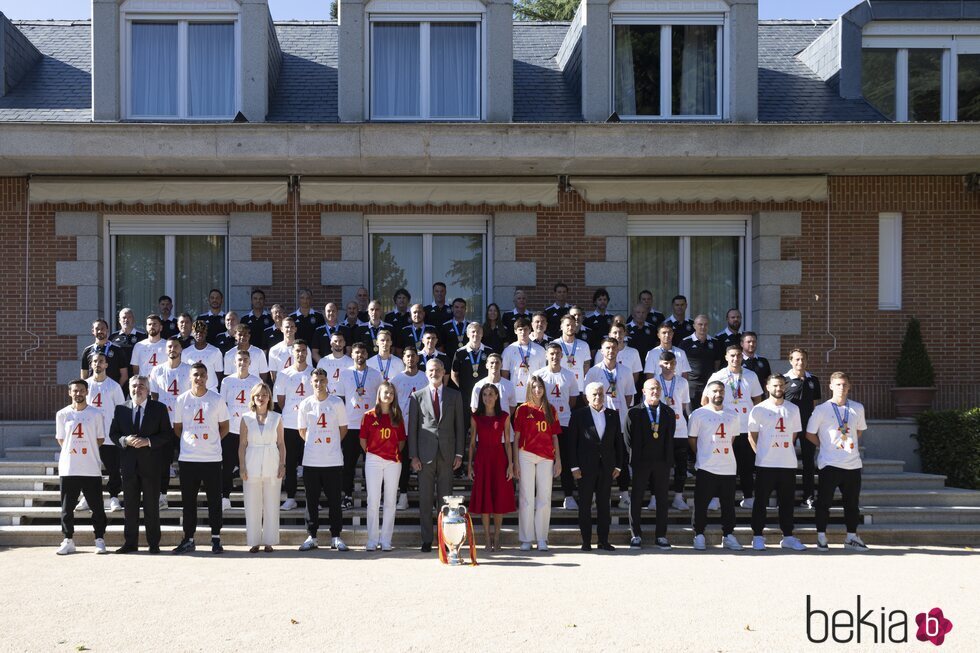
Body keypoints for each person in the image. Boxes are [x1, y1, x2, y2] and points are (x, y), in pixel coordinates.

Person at [806, 372, 868, 552]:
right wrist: (825, 445)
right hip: (829, 464)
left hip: (852, 464)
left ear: (849, 387)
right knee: (824, 503)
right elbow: (810, 434)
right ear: (831, 386)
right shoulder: (821, 409)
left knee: (852, 504)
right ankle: (821, 536)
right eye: (838, 384)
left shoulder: (857, 408)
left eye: (844, 385)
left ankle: (851, 537)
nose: (841, 388)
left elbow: (859, 431)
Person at [172, 363, 230, 554]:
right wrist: (191, 443)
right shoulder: (181, 400)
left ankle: (216, 539)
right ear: (190, 377)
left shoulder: (217, 399)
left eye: (203, 375)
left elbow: (225, 427)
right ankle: (188, 538)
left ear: (208, 377)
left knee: (214, 500)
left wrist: (211, 441)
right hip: (188, 459)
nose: (199, 378)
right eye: (195, 375)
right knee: (188, 501)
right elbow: (178, 428)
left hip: (212, 458)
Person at [110, 375, 172, 554]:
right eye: (134, 386)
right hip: (129, 466)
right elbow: (114, 434)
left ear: (148, 389)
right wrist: (125, 440)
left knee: (152, 506)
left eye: (142, 386)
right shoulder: (121, 409)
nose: (138, 389)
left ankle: (154, 543)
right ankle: (130, 543)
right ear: (129, 389)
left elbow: (166, 435)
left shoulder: (159, 409)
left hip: (151, 465)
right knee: (130, 507)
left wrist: (148, 441)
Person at [409, 359, 465, 552]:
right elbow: (413, 428)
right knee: (425, 499)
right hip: (424, 456)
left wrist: (459, 453)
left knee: (446, 500)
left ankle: (447, 540)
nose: (435, 373)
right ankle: (426, 539)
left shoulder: (454, 395)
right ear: (426, 373)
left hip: (448, 454)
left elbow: (460, 427)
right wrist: (413, 456)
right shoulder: (416, 396)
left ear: (444, 372)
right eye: (431, 370)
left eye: (438, 370)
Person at [748, 375, 806, 552]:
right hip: (766, 464)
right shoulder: (758, 409)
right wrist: (762, 453)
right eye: (775, 385)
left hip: (787, 463)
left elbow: (794, 435)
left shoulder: (793, 409)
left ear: (786, 386)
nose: (778, 388)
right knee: (761, 502)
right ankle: (758, 536)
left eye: (781, 385)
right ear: (767, 387)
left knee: (787, 502)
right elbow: (752, 435)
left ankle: (787, 536)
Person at [703, 345, 764, 508]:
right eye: (732, 356)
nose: (735, 359)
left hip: (745, 428)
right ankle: (715, 498)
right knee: (721, 462)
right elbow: (705, 400)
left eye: (738, 355)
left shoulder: (751, 376)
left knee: (747, 464)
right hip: (724, 429)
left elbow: (757, 400)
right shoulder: (718, 376)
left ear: (742, 357)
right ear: (726, 357)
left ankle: (749, 497)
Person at [566, 382, 623, 552]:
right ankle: (586, 541)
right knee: (584, 505)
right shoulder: (578, 415)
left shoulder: (613, 415)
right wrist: (574, 467)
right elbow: (571, 443)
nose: (598, 397)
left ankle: (603, 541)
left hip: (606, 468)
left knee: (604, 505)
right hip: (585, 468)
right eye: (594, 395)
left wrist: (619, 466)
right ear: (587, 397)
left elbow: (618, 443)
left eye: (600, 394)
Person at [297, 368, 349, 552]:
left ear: (327, 381)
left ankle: (336, 536)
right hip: (311, 460)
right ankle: (312, 536)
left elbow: (343, 429)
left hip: (333, 460)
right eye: (316, 380)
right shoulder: (305, 404)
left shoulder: (336, 403)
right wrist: (316, 444)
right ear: (311, 383)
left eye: (322, 380)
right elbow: (302, 431)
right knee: (311, 501)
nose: (319, 383)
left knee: (335, 500)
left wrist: (329, 444)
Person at [55, 379, 108, 555]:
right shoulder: (62, 414)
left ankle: (99, 539)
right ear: (70, 393)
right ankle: (68, 539)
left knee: (97, 507)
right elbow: (61, 439)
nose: (78, 393)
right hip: (69, 467)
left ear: (87, 392)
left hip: (90, 467)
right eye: (75, 391)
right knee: (67, 508)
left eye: (81, 390)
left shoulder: (96, 414)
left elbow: (100, 439)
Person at [689, 381, 743, 551]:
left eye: (720, 391)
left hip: (727, 467)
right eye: (714, 391)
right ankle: (698, 534)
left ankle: (728, 535)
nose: (718, 394)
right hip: (706, 467)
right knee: (701, 504)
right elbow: (692, 439)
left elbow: (732, 438)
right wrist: (705, 453)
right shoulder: (698, 414)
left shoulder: (732, 414)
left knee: (728, 505)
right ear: (708, 393)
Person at [625, 378, 675, 550]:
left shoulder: (668, 412)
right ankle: (635, 535)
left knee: (662, 499)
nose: (655, 391)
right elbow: (628, 439)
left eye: (658, 388)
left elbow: (670, 436)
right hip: (641, 462)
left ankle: (661, 535)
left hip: (662, 461)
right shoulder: (634, 413)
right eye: (651, 389)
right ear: (644, 391)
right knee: (637, 497)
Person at [512, 376, 561, 551]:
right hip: (525, 454)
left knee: (544, 498)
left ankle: (542, 538)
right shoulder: (522, 410)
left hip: (546, 456)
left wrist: (558, 461)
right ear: (529, 389)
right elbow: (516, 437)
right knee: (526, 497)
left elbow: (555, 436)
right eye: (534, 387)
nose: (537, 390)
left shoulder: (551, 409)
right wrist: (515, 462)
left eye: (540, 387)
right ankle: (526, 538)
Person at [467, 384, 516, 551]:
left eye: (491, 394)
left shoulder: (504, 416)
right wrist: (470, 466)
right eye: (485, 395)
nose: (488, 397)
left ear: (497, 397)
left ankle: (497, 536)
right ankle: (487, 538)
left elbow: (509, 443)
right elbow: (473, 443)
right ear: (481, 398)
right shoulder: (476, 417)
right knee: (485, 500)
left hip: (499, 459)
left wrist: (510, 465)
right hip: (482, 459)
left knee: (499, 499)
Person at [360, 382, 408, 551]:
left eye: (391, 393)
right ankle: (372, 540)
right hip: (373, 459)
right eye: (385, 392)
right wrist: (375, 452)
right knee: (373, 500)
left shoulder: (398, 416)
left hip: (393, 462)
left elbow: (401, 441)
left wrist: (390, 452)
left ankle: (386, 540)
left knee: (390, 502)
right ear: (379, 394)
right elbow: (363, 440)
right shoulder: (369, 415)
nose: (388, 395)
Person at [533, 342, 581, 510]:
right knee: (542, 460)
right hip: (543, 424)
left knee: (566, 460)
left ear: (562, 356)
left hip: (564, 423)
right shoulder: (538, 375)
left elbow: (573, 401)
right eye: (551, 354)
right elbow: (534, 399)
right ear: (546, 355)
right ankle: (540, 495)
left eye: (557, 354)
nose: (554, 357)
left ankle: (569, 496)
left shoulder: (569, 375)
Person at [239, 382, 285, 553]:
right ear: (253, 397)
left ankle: (269, 541)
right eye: (258, 395)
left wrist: (282, 464)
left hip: (272, 460)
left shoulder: (276, 417)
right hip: (252, 460)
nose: (261, 398)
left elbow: (281, 443)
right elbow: (242, 444)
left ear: (269, 397)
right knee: (252, 503)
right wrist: (242, 466)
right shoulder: (246, 418)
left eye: (264, 394)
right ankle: (254, 541)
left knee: (272, 503)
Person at [337, 342, 383, 510]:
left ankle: (373, 497)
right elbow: (340, 400)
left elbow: (380, 401)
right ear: (352, 354)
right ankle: (346, 496)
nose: (359, 355)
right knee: (348, 464)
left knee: (372, 464)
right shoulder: (345, 374)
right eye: (356, 352)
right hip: (350, 426)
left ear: (367, 354)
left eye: (363, 352)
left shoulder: (376, 375)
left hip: (370, 426)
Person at [148, 336, 191, 509]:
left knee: (187, 462)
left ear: (181, 349)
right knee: (163, 462)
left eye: (175, 346)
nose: (172, 349)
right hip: (165, 424)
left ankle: (189, 494)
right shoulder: (157, 371)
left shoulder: (189, 370)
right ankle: (162, 495)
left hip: (185, 422)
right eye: (169, 347)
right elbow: (154, 397)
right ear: (165, 350)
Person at [273, 340, 314, 511]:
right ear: (292, 352)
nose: (300, 353)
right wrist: (293, 413)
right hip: (290, 424)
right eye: (297, 350)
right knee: (289, 462)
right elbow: (281, 401)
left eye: (303, 350)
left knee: (311, 464)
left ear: (307, 352)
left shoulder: (314, 372)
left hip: (311, 425)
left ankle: (312, 499)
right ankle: (290, 497)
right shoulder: (284, 374)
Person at [218, 349, 262, 511]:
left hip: (249, 430)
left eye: (245, 359)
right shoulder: (227, 381)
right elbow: (221, 406)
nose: (242, 362)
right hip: (230, 429)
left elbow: (260, 407)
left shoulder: (256, 381)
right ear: (234, 362)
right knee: (227, 465)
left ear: (250, 363)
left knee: (251, 465)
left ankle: (253, 498)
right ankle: (225, 497)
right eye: (239, 360)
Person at [84, 352, 126, 513]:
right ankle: (86, 497)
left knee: (113, 468)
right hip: (89, 435)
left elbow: (121, 411)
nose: (98, 364)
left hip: (109, 435)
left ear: (106, 365)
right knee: (88, 468)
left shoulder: (114, 386)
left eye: (101, 361)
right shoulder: (85, 385)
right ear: (91, 364)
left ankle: (114, 497)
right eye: (95, 361)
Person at [783, 348, 821, 508]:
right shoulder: (783, 380)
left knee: (808, 462)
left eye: (803, 359)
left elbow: (815, 405)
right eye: (797, 359)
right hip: (788, 427)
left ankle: (808, 496)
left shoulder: (813, 380)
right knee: (786, 461)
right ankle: (785, 497)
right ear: (791, 361)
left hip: (807, 426)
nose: (800, 362)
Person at [656, 352, 693, 511]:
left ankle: (678, 497)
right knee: (658, 466)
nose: (668, 367)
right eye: (665, 363)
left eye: (671, 363)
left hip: (680, 430)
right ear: (660, 364)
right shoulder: (654, 381)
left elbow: (685, 406)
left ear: (675, 364)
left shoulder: (683, 382)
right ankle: (655, 498)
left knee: (681, 466)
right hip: (659, 430)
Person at [390, 346, 426, 510]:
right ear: (403, 359)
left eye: (413, 356)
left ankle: (426, 499)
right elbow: (391, 403)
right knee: (403, 463)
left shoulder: (425, 378)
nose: (410, 359)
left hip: (422, 429)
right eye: (407, 356)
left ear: (418, 359)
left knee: (424, 463)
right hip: (402, 428)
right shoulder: (396, 379)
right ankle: (403, 496)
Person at [680, 314, 722, 410]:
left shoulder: (715, 342)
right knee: (691, 415)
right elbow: (680, 365)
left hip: (709, 385)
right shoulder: (685, 342)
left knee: (709, 413)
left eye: (705, 324)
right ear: (694, 326)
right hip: (691, 385)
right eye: (700, 324)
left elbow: (717, 363)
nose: (703, 327)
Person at [502, 318, 547, 406]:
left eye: (526, 329)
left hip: (534, 396)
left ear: (530, 330)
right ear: (515, 331)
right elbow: (504, 375)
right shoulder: (509, 350)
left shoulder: (540, 350)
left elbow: (543, 375)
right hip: (514, 396)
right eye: (520, 330)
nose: (523, 332)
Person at [450, 322, 490, 419]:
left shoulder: (489, 351)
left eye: (478, 332)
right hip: (466, 395)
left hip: (484, 394)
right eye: (473, 332)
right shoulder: (460, 352)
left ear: (482, 334)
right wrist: (463, 389)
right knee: (466, 421)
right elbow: (454, 374)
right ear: (467, 334)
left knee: (483, 421)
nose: (476, 334)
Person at [592, 321, 642, 388]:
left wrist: (627, 388)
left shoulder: (633, 352)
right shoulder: (601, 352)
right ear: (609, 335)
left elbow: (635, 375)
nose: (618, 335)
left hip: (625, 392)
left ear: (625, 334)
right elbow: (596, 372)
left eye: (620, 332)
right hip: (605, 392)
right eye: (615, 333)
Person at [81, 319, 128, 386]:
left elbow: (124, 375)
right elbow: (84, 375)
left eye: (102, 328)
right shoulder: (87, 351)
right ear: (93, 331)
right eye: (97, 329)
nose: (100, 331)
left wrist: (116, 390)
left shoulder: (118, 350)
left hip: (111, 391)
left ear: (107, 330)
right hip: (93, 390)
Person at [184, 320, 224, 390]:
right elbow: (184, 374)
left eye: (202, 331)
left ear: (206, 333)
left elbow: (219, 373)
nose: (199, 334)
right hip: (193, 391)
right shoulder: (186, 352)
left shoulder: (215, 351)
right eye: (196, 331)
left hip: (211, 391)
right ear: (192, 333)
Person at [557, 313, 589, 394]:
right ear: (561, 326)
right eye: (567, 325)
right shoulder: (555, 344)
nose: (570, 327)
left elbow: (586, 366)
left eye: (572, 325)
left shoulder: (584, 345)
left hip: (579, 388)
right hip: (560, 387)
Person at [316, 331, 354, 397]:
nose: (338, 343)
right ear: (331, 343)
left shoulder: (351, 362)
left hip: (346, 398)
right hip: (327, 397)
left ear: (344, 343)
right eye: (335, 341)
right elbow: (318, 380)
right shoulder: (323, 361)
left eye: (340, 341)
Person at [268, 315, 298, 380]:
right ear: (281, 329)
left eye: (292, 327)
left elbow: (308, 371)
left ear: (295, 329)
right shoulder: (274, 350)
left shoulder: (304, 349)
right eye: (287, 327)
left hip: (298, 385)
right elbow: (273, 375)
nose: (289, 329)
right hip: (281, 386)